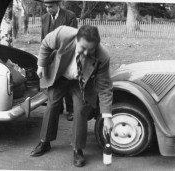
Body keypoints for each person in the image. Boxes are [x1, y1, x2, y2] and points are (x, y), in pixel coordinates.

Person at [30, 25, 114, 167]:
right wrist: (41, 65)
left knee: (80, 110)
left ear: (97, 45)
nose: (87, 53)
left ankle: (78, 149)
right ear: (76, 39)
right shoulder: (62, 34)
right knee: (52, 105)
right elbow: (45, 44)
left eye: (91, 49)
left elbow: (105, 86)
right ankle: (45, 141)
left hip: (81, 82)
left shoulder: (103, 56)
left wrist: (107, 117)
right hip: (60, 76)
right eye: (83, 48)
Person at [41, 0, 78, 121]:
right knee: (53, 81)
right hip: (51, 55)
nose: (48, 9)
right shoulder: (44, 18)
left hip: (66, 54)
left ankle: (71, 110)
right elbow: (44, 39)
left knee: (67, 80)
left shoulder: (69, 16)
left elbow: (72, 38)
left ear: (58, 4)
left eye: (50, 6)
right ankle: (58, 108)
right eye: (46, 7)